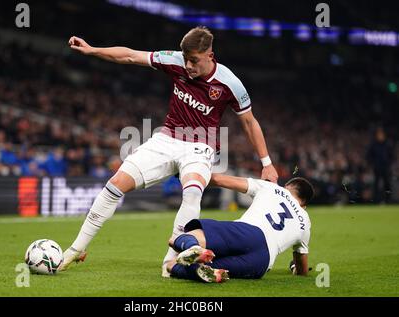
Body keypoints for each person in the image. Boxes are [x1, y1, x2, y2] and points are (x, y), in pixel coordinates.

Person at [59, 26, 279, 276]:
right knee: (114, 184)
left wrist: (266, 162)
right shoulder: (175, 60)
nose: (188, 65)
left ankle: (171, 261)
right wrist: (92, 50)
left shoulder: (229, 83)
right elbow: (131, 55)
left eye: (194, 60)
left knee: (193, 192)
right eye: (185, 59)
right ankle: (76, 249)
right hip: (166, 139)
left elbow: (249, 122)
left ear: (210, 55)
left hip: (200, 146)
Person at [165, 174, 314, 283]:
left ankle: (194, 248)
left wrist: (190, 175)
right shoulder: (305, 221)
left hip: (248, 232)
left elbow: (219, 180)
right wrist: (295, 268)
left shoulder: (273, 188)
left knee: (176, 241)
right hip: (261, 262)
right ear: (304, 205)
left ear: (286, 187)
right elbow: (302, 269)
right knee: (180, 267)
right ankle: (204, 270)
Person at [366, 127, 394, 204]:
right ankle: (376, 200)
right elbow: (368, 156)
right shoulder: (373, 144)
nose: (380, 136)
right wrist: (373, 163)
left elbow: (392, 156)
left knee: (387, 184)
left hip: (385, 167)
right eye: (379, 134)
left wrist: (389, 163)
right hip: (377, 168)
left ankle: (388, 200)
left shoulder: (388, 144)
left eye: (381, 134)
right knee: (376, 185)